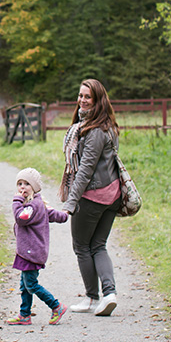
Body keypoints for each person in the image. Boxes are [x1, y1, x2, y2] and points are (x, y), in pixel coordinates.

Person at [59, 78, 122, 316]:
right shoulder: (107, 125)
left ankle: (92, 298)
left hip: (93, 197)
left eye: (88, 97)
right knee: (98, 245)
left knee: (82, 246)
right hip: (111, 195)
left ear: (97, 100)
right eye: (80, 96)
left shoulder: (95, 131)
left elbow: (85, 171)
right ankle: (110, 294)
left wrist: (71, 203)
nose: (82, 100)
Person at [6, 167, 70, 326]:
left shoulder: (31, 207)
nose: (22, 187)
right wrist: (66, 214)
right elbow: (55, 215)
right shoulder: (38, 204)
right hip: (28, 252)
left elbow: (20, 218)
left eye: (26, 184)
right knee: (24, 284)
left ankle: (56, 305)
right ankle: (24, 314)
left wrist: (16, 201)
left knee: (31, 284)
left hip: (31, 252)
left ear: (34, 187)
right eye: (19, 183)